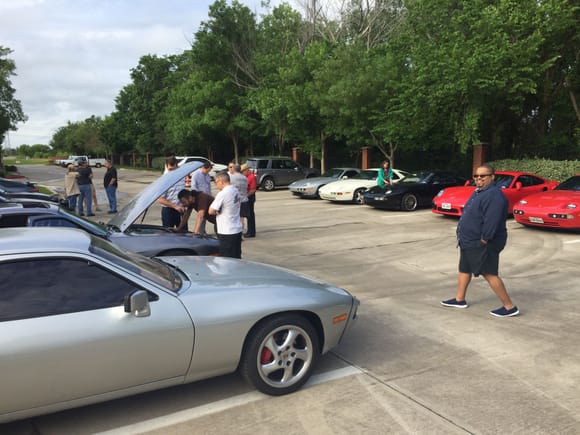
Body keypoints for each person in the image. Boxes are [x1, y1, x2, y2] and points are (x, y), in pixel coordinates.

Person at [440, 164, 519, 317]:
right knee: (464, 268)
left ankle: (509, 307)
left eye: (483, 176)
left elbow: (492, 221)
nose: (479, 179)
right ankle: (459, 299)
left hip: (482, 242)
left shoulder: (494, 195)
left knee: (488, 272)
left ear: (492, 177)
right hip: (468, 240)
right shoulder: (479, 192)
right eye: (476, 176)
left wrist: (484, 239)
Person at [208, 171, 243, 258]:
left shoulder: (223, 193)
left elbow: (211, 211)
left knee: (226, 258)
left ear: (221, 181)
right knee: (237, 255)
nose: (216, 185)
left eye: (216, 182)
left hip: (226, 231)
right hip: (237, 229)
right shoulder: (235, 190)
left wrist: (217, 211)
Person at [156, 156, 185, 229]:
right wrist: (175, 206)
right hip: (168, 211)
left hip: (181, 210)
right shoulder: (164, 180)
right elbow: (159, 199)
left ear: (177, 166)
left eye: (173, 169)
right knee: (168, 235)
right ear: (166, 166)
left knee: (183, 234)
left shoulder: (181, 177)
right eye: (170, 169)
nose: (171, 171)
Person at [189, 162, 213, 234]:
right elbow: (193, 186)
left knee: (205, 216)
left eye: (209, 171)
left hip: (207, 198)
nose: (208, 172)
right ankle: (200, 232)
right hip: (200, 199)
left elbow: (208, 186)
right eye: (207, 170)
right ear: (203, 168)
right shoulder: (196, 175)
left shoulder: (207, 175)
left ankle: (202, 230)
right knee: (201, 216)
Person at [242, 163, 257, 237]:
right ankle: (249, 231)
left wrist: (245, 196)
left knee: (250, 215)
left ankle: (251, 232)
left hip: (250, 197)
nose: (242, 173)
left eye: (243, 172)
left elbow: (253, 189)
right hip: (247, 196)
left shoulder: (251, 177)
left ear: (246, 170)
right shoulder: (246, 177)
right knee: (248, 215)